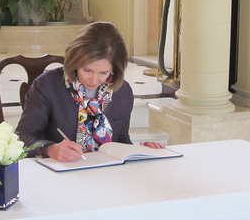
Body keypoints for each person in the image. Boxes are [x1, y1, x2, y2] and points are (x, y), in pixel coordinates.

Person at [16, 21, 164, 161]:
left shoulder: (122, 92)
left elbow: (121, 141)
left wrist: (141, 151)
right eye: (87, 70)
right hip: (61, 174)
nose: (93, 80)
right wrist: (49, 149)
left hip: (105, 174)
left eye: (103, 73)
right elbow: (22, 138)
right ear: (75, 62)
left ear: (115, 70)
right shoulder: (48, 85)